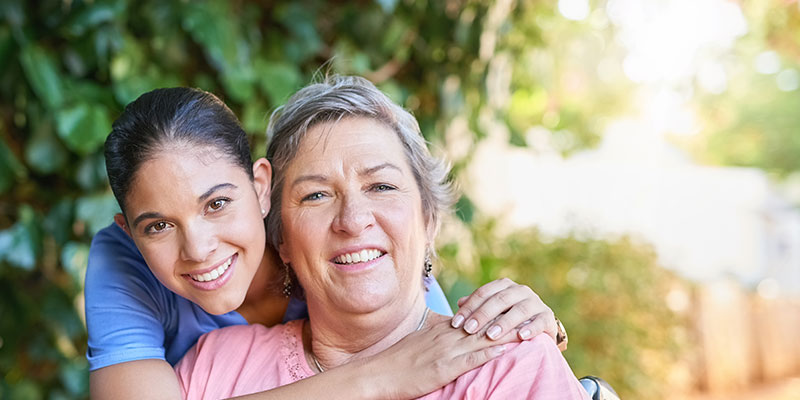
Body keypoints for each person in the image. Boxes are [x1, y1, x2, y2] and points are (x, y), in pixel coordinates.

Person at [86, 84, 567, 398]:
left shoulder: (500, 361)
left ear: (430, 217)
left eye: (381, 186)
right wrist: (383, 376)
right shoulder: (212, 365)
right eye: (316, 195)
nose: (354, 220)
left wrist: (525, 338)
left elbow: (407, 304)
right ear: (285, 238)